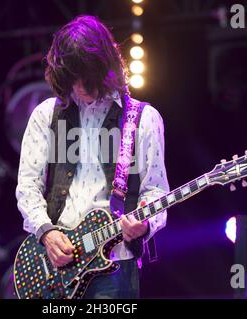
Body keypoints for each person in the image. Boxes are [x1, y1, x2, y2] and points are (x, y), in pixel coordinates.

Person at [15, 15, 169, 299]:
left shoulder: (143, 119)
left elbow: (156, 190)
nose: (82, 88)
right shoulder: (45, 115)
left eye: (88, 78)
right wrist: (47, 233)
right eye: (73, 80)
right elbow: (27, 187)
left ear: (106, 68)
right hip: (55, 268)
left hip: (115, 264)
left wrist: (145, 223)